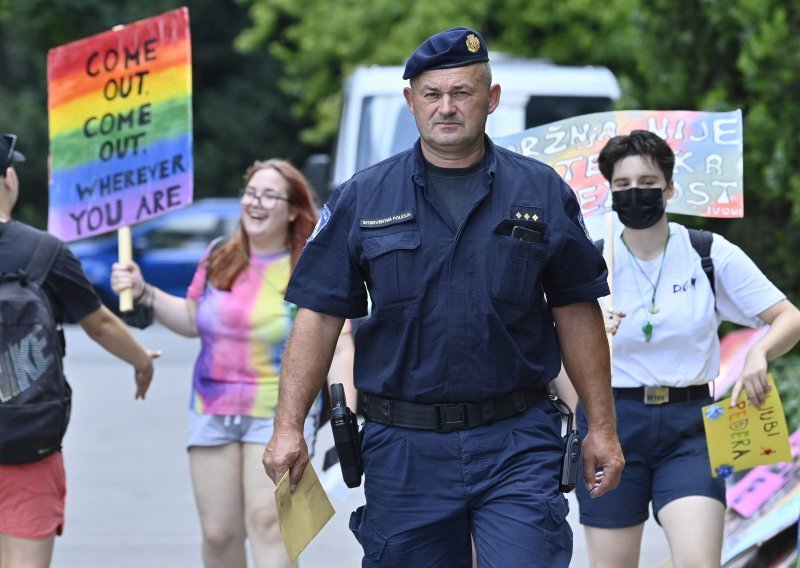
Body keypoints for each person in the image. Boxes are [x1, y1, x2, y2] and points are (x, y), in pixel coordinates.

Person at [262, 27, 624, 567]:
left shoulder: (540, 192)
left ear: (491, 99)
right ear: (411, 102)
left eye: (463, 92)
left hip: (517, 442)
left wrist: (603, 426)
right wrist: (289, 426)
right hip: (405, 450)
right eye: (432, 94)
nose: (447, 107)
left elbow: (576, 310)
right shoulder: (364, 196)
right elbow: (317, 318)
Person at [111, 158, 356, 568]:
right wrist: (145, 292)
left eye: (270, 195)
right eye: (251, 193)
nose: (256, 203)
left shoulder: (310, 264)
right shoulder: (218, 256)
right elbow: (192, 320)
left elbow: (339, 344)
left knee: (268, 525)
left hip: (279, 418)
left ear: (294, 208)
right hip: (211, 411)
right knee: (219, 534)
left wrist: (348, 414)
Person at [572, 129, 800, 568]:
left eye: (647, 183)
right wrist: (589, 332)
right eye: (622, 186)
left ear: (670, 187)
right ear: (610, 192)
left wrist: (759, 352)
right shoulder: (590, 264)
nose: (634, 194)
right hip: (610, 423)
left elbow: (788, 317)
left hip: (690, 425)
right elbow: (548, 349)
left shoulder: (708, 252)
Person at [0, 133, 159, 567]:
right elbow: (101, 324)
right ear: (9, 179)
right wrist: (141, 360)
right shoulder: (44, 251)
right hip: (25, 438)